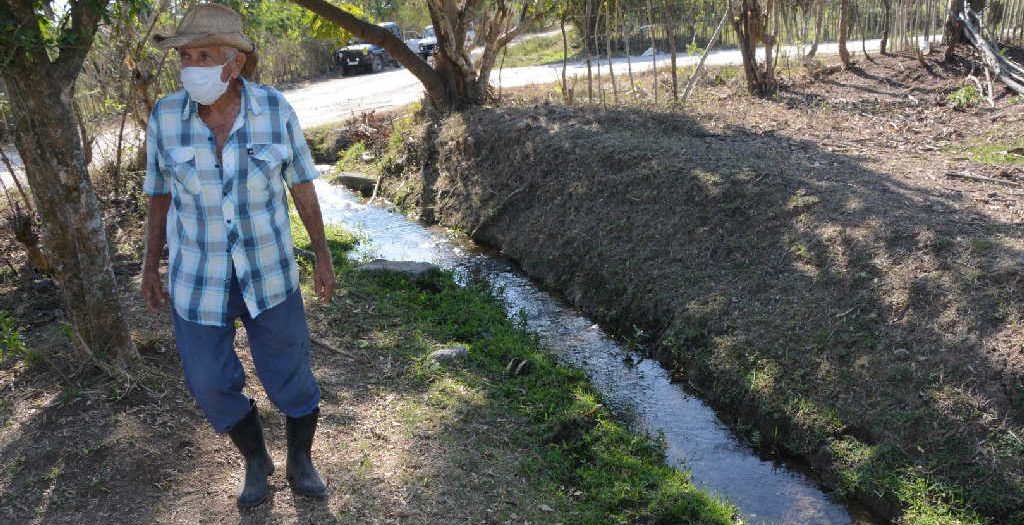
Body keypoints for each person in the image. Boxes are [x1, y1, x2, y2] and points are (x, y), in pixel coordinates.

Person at [141, 3, 334, 508]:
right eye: (185, 55)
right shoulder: (164, 116)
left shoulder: (275, 110)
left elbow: (302, 187)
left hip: (269, 272)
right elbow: (158, 193)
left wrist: (322, 254)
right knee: (209, 383)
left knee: (290, 373)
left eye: (203, 54)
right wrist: (149, 264)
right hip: (197, 277)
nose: (191, 65)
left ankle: (301, 459)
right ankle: (255, 459)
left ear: (233, 62)